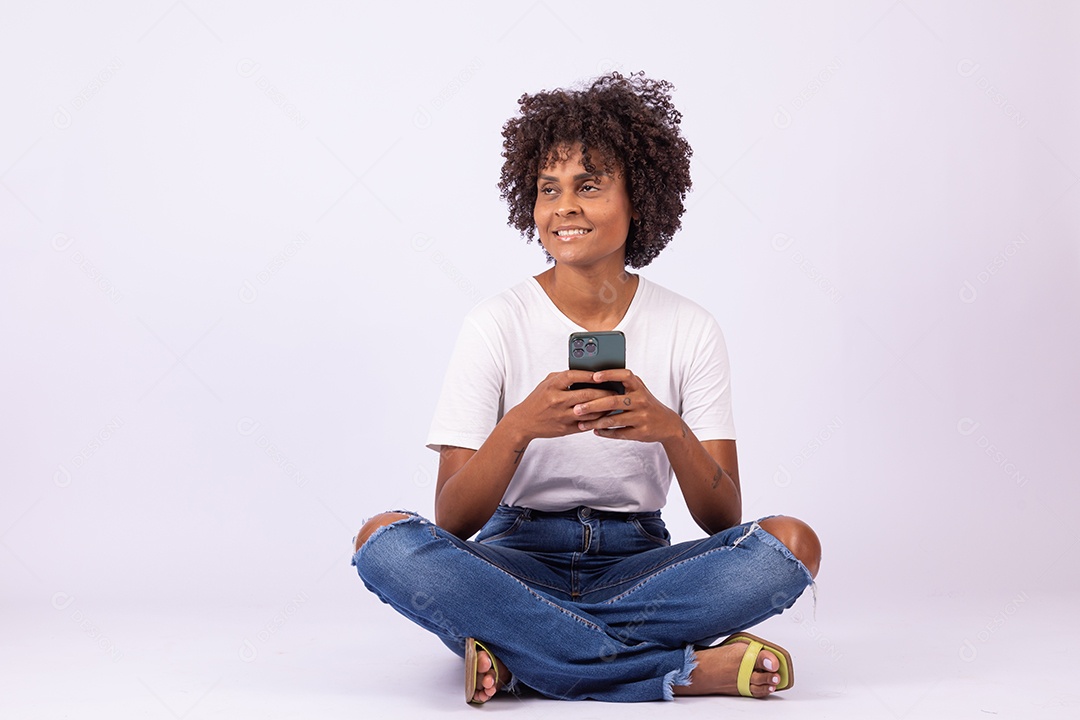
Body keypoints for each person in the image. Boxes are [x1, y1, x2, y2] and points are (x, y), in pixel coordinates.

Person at [351, 72, 821, 704]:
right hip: (514, 560)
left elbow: (721, 519)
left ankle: (517, 654)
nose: (563, 207)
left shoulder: (690, 327)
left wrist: (669, 429)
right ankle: (678, 671)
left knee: (790, 546)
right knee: (383, 540)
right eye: (549, 189)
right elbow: (453, 522)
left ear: (639, 199)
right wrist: (519, 426)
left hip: (639, 565)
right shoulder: (495, 323)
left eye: (589, 186)